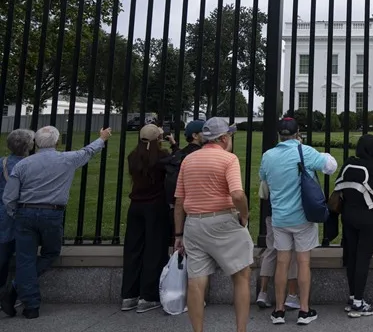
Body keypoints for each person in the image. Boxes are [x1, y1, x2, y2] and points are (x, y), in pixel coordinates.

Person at [1, 125, 111, 319]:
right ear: (58, 142)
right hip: (52, 213)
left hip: (25, 213)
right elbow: (88, 151)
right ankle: (18, 289)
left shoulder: (22, 165)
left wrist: (14, 214)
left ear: (35, 143)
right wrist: (102, 138)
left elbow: (9, 197)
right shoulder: (66, 159)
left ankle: (30, 305)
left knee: (25, 259)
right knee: (51, 252)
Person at [173, 117, 254, 332]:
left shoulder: (188, 160)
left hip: (194, 224)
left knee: (196, 281)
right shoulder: (228, 159)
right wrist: (244, 215)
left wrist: (178, 234)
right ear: (224, 138)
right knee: (242, 275)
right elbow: (237, 193)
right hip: (223, 221)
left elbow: (180, 201)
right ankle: (241, 330)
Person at [258, 117, 337, 325]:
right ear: (297, 132)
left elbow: (264, 181)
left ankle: (279, 310)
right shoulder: (305, 151)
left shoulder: (268, 156)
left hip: (280, 218)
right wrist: (321, 153)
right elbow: (331, 167)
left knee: (282, 263)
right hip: (302, 217)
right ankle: (303, 310)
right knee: (303, 262)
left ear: (278, 134)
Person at [120, 123, 175, 313]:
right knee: (154, 250)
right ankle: (148, 296)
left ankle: (129, 295)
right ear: (158, 138)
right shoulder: (162, 157)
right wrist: (174, 145)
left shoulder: (133, 156)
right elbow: (178, 162)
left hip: (136, 206)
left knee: (133, 249)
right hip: (155, 206)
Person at [333, 134, 373, 318]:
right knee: (363, 258)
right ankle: (358, 303)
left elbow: (339, 188)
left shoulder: (349, 164)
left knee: (352, 256)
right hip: (369, 217)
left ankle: (352, 296)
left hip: (348, 215)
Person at [0, 130, 35, 295]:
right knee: (25, 256)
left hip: (4, 214)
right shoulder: (32, 164)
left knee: (3, 253)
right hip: (25, 212)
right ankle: (18, 291)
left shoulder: (3, 163)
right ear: (29, 146)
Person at [256, 215, 300, 310]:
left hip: (272, 212)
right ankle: (291, 295)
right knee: (292, 252)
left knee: (271, 250)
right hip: (291, 214)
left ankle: (263, 293)